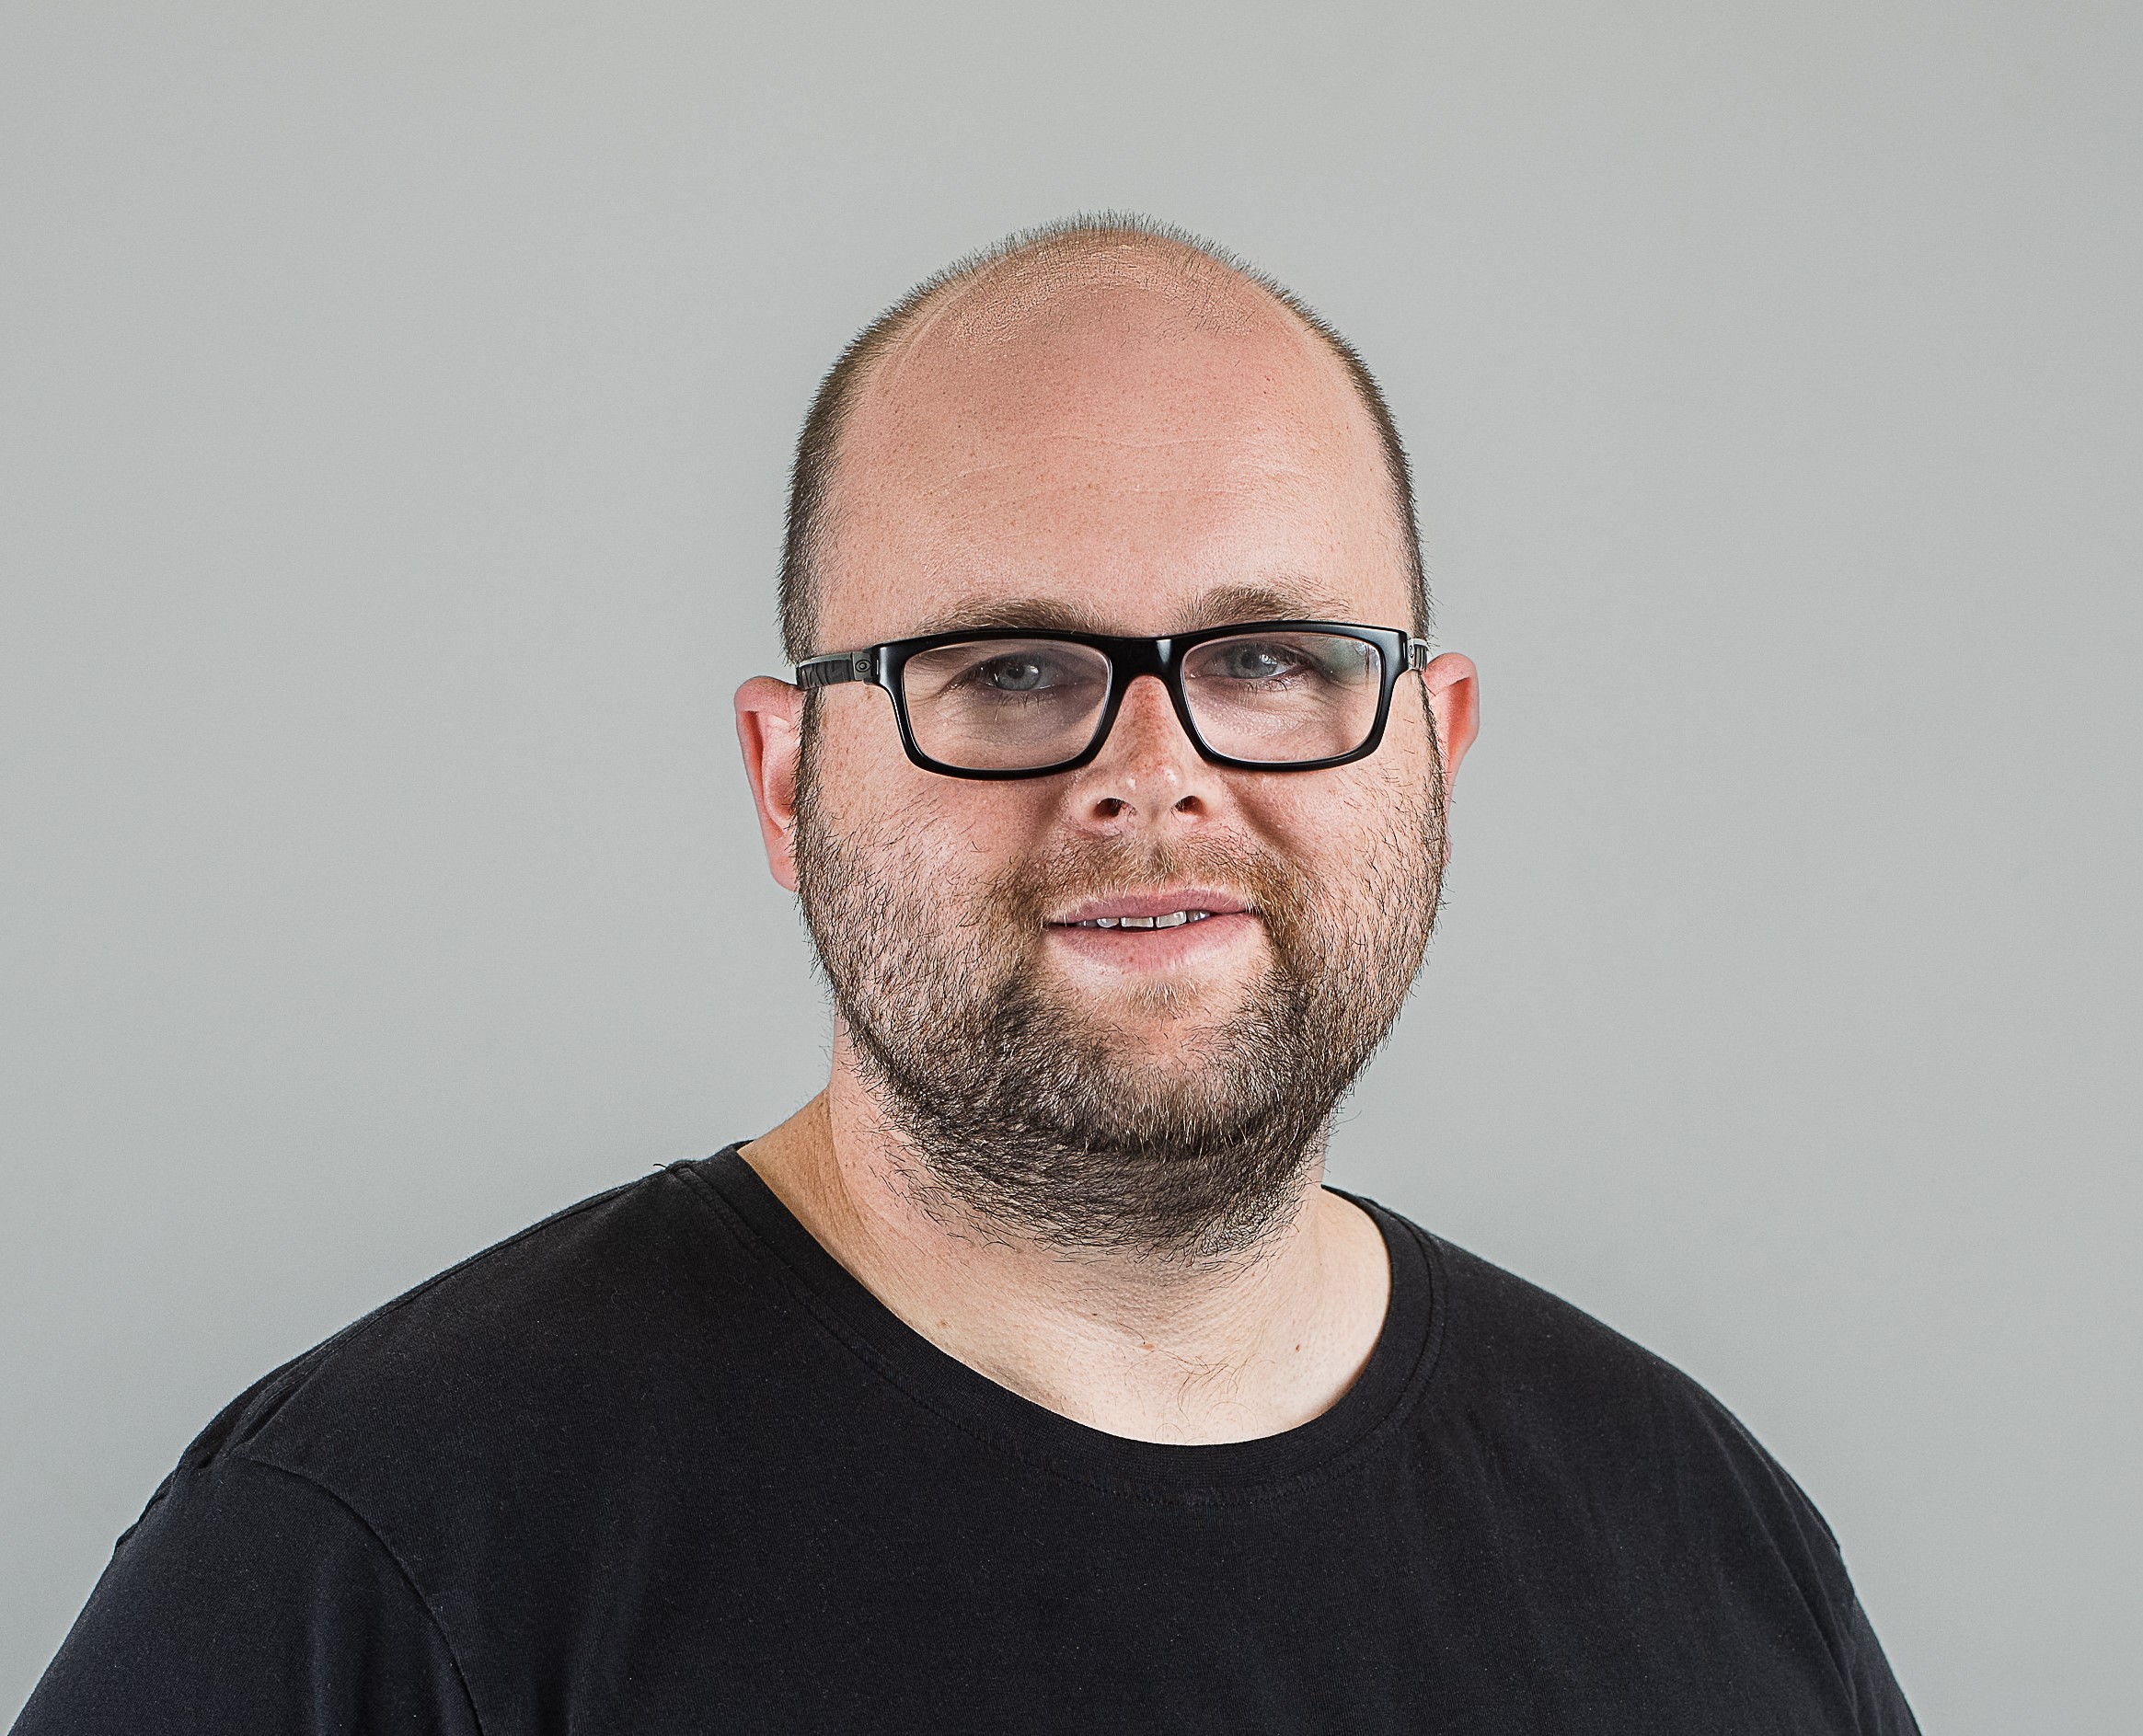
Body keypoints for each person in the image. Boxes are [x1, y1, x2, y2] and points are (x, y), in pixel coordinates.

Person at [14, 217, 1918, 1734]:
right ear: (789, 777)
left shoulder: (1699, 1533)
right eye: (1008, 669)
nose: (1151, 771)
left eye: (1268, 659)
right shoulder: (379, 1557)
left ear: (1434, 739)